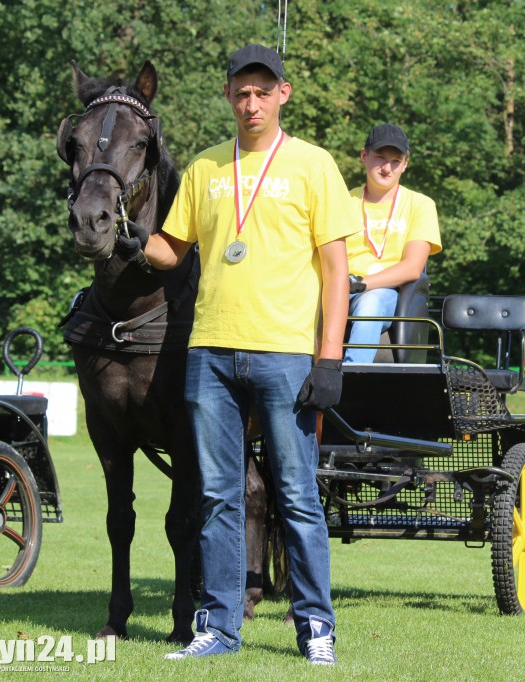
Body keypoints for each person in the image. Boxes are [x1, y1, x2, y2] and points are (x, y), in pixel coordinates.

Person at [115, 44, 353, 665]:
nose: (251, 103)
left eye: (262, 91)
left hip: (284, 355)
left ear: (283, 94)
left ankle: (315, 631)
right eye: (241, 92)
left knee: (297, 496)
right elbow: (172, 248)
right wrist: (131, 235)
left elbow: (335, 268)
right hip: (210, 354)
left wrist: (330, 358)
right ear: (228, 96)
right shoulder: (204, 168)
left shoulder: (313, 165)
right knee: (216, 497)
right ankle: (218, 628)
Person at [344, 124, 441, 363]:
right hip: (341, 287)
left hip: (388, 293)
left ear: (405, 164)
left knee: (371, 301)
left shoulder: (420, 204)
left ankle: (353, 375)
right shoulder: (343, 201)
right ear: (364, 156)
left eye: (395, 161)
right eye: (379, 158)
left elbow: (412, 268)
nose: (387, 168)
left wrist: (360, 284)